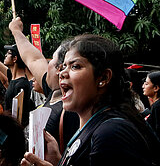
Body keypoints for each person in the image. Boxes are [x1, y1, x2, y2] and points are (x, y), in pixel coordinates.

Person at [21, 34, 160, 166]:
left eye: (75, 66)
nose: (62, 73)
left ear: (103, 78)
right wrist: (58, 161)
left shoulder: (111, 133)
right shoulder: (93, 125)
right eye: (64, 66)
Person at [9, 17, 79, 150]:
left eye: (52, 59)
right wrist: (16, 31)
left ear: (61, 69)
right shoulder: (55, 92)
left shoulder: (74, 109)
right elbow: (33, 59)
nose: (46, 63)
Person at [0, 44, 31, 127]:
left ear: (15, 59)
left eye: (9, 53)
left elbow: (20, 116)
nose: (5, 55)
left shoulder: (21, 85)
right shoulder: (13, 78)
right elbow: (4, 79)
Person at [142, 71, 160, 140]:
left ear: (156, 88)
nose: (143, 86)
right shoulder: (156, 105)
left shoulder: (157, 107)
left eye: (146, 84)